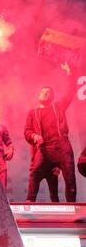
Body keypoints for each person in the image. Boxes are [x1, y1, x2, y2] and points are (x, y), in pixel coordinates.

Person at [25, 62, 77, 202]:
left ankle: (71, 208)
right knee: (34, 174)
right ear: (39, 95)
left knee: (70, 179)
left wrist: (69, 73)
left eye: (48, 92)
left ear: (52, 97)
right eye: (43, 92)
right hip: (44, 149)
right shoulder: (33, 113)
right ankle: (29, 204)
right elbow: (27, 131)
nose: (45, 93)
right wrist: (34, 136)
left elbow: (71, 91)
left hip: (62, 147)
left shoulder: (59, 107)